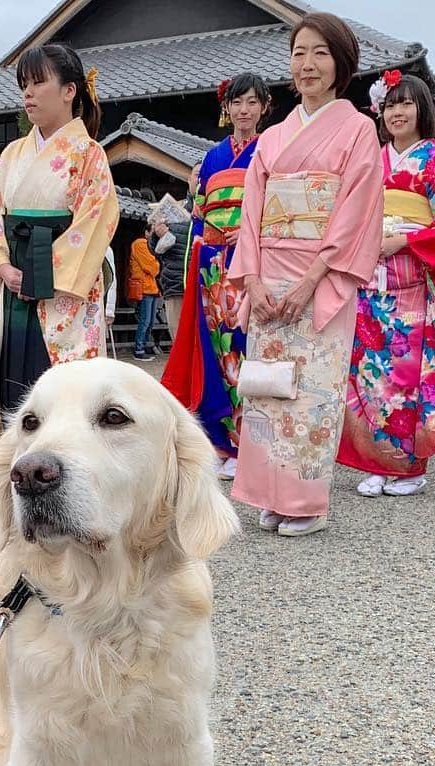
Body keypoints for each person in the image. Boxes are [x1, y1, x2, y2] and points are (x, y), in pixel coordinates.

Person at [228, 12, 383, 537]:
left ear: (341, 62)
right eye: (298, 52)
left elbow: (357, 208)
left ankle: (306, 502)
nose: (307, 63)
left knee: (312, 390)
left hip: (319, 282)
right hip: (268, 275)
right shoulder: (272, 138)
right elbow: (252, 212)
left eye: (319, 52)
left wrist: (313, 277)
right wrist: (250, 279)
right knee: (267, 390)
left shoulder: (359, 129)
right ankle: (270, 494)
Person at [0, 42, 119, 461]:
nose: (28, 94)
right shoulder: (13, 153)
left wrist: (40, 273)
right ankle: (7, 465)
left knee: (60, 380)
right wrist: (1, 264)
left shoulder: (89, 154)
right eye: (24, 85)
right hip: (13, 278)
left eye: (38, 83)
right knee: (8, 372)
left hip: (60, 289)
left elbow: (96, 221)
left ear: (70, 90)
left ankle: (63, 466)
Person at [337, 71, 435, 497]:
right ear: (380, 110)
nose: (397, 112)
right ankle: (376, 462)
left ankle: (410, 468)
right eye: (391, 104)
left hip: (412, 280)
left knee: (407, 375)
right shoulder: (370, 159)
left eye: (406, 104)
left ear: (422, 110)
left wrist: (404, 239)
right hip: (369, 280)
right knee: (369, 373)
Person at [161, 73, 271, 481]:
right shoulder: (211, 158)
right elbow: (201, 211)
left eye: (252, 103)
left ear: (264, 108)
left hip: (250, 261)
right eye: (237, 103)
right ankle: (225, 441)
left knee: (247, 347)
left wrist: (251, 232)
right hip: (212, 262)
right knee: (215, 351)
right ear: (227, 109)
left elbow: (273, 207)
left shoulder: (269, 151)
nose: (244, 110)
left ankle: (253, 442)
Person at [127, 222, 161, 360]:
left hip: (151, 288)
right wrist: (157, 262)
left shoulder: (148, 245)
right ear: (146, 233)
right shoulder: (140, 244)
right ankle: (139, 349)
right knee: (145, 321)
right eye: (152, 231)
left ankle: (144, 346)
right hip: (144, 287)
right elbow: (152, 267)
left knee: (150, 321)